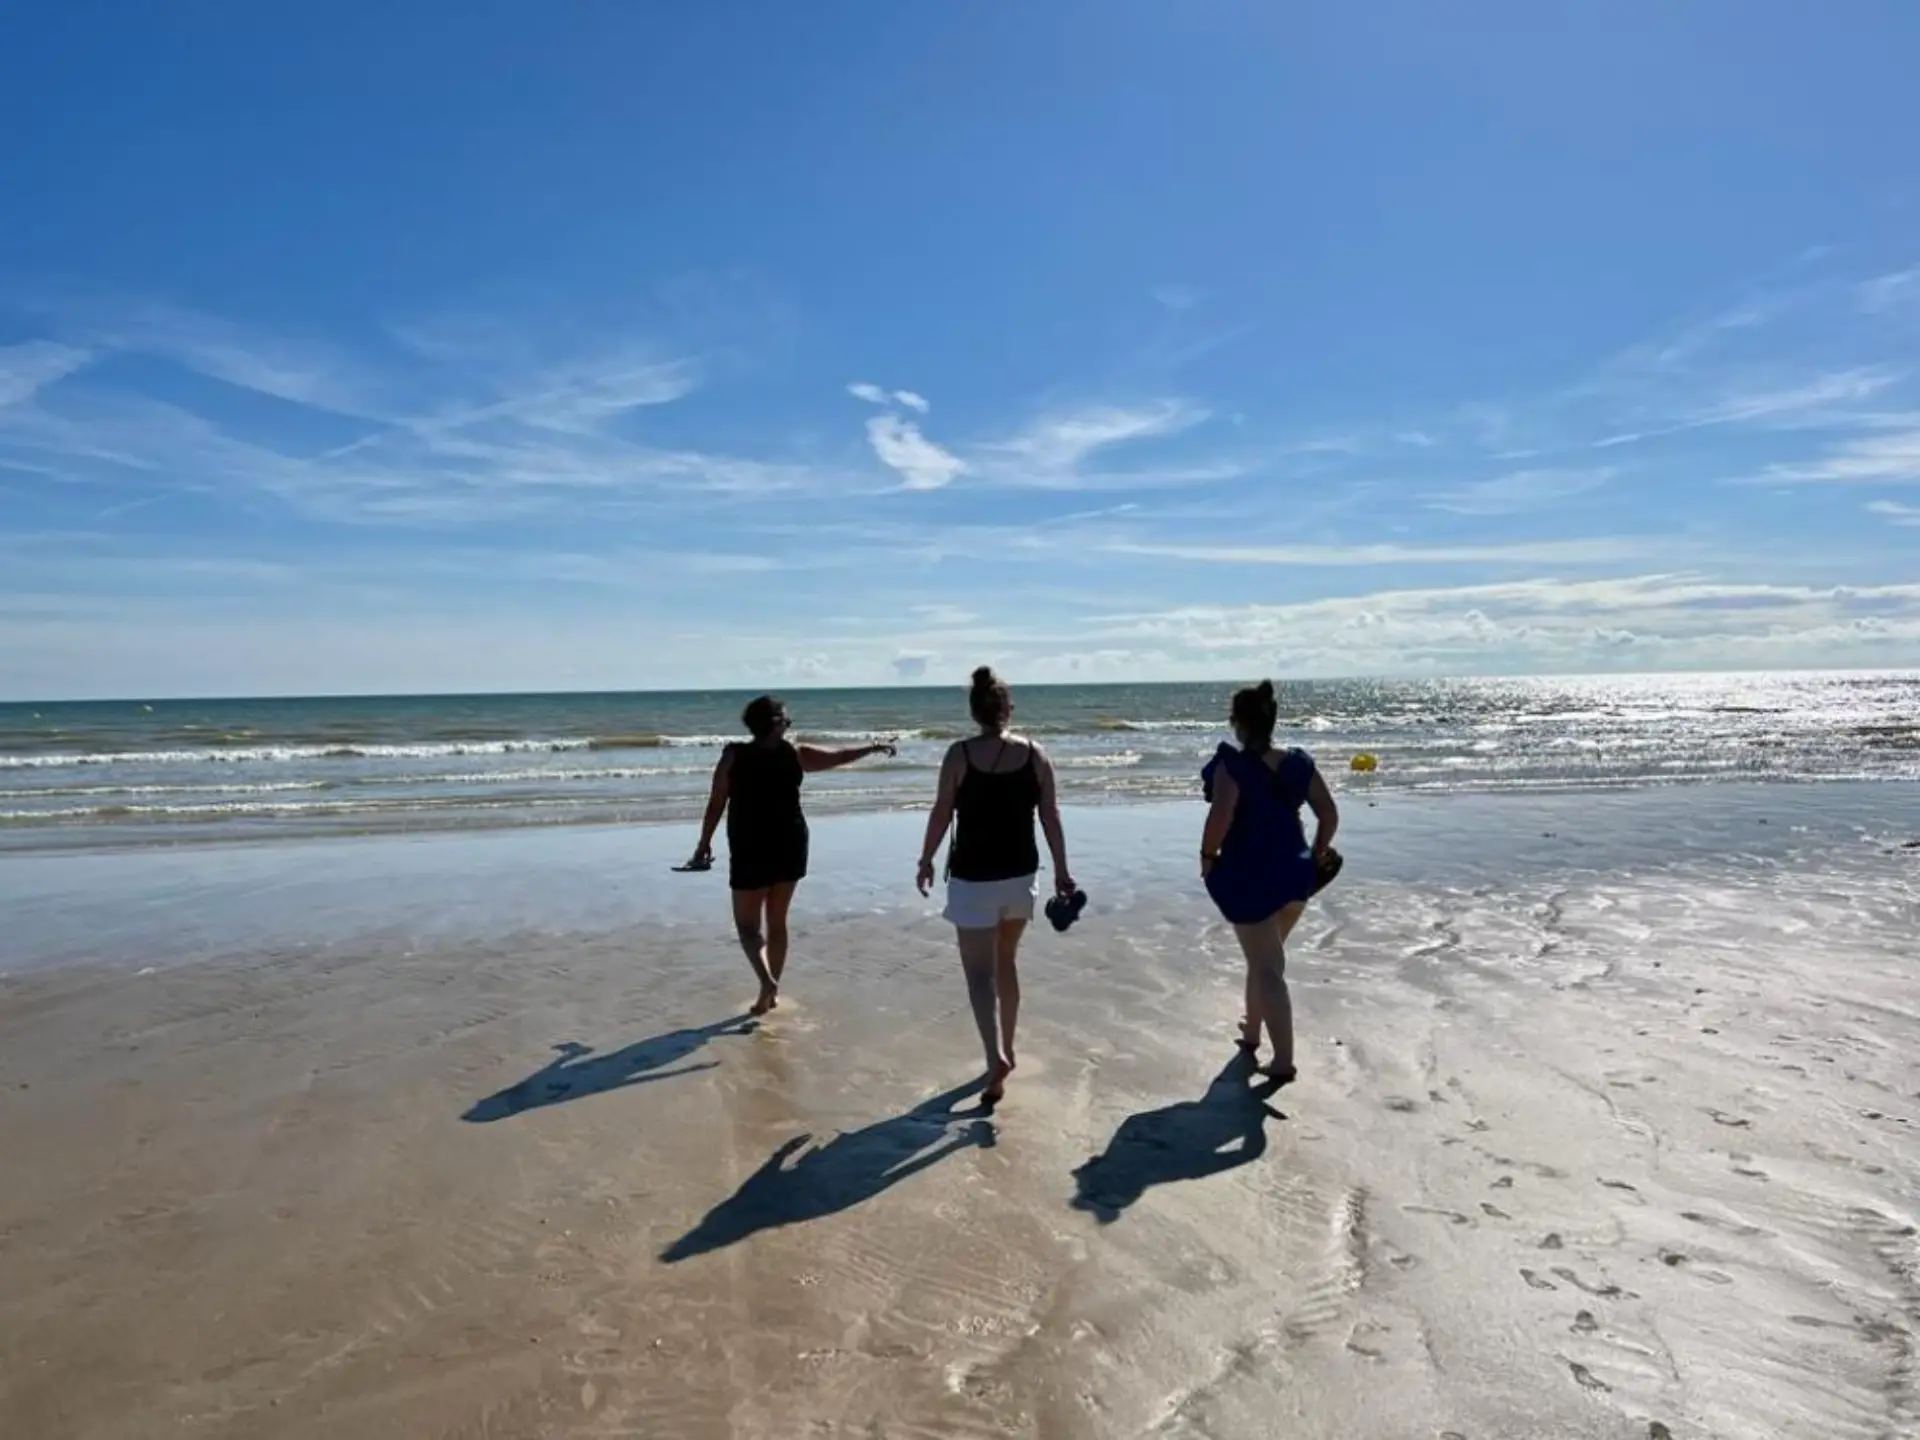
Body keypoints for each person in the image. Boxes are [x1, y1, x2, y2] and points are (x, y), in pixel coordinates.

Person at [916, 667, 1074, 1107]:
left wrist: (926, 858)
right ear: (1008, 710)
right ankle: (1010, 1046)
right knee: (1007, 962)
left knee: (978, 975)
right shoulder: (1035, 755)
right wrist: (1062, 869)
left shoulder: (959, 755)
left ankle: (994, 1059)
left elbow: (941, 813)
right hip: (1022, 876)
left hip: (972, 878)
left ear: (974, 712)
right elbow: (1051, 816)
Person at [686, 696, 895, 1015]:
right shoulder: (794, 754)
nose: (789, 725)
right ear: (776, 724)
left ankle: (766, 982)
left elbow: (716, 802)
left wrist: (703, 844)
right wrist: (873, 747)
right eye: (787, 720)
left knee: (746, 926)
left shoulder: (733, 756)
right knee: (777, 920)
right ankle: (770, 991)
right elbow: (838, 757)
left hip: (750, 845)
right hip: (791, 842)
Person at [1199, 680, 1339, 1084]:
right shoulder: (1298, 762)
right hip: (1295, 877)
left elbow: (1220, 818)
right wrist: (1316, 853)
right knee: (1265, 959)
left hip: (1251, 876)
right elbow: (1328, 815)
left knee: (1266, 967)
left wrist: (1207, 857)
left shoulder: (1231, 767)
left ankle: (1283, 1061)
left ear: (1236, 724)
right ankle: (1252, 1031)